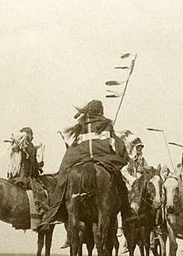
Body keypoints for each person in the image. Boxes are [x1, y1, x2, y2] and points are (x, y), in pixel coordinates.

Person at [40, 100, 133, 247]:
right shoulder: (106, 125)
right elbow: (117, 146)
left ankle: (58, 210)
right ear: (100, 111)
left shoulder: (80, 125)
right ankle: (127, 213)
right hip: (102, 159)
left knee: (63, 176)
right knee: (119, 181)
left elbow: (73, 146)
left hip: (80, 159)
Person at [7, 127, 47, 216]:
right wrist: (39, 165)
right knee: (40, 192)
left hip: (16, 176)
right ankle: (42, 211)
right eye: (31, 134)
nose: (32, 137)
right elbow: (32, 164)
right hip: (26, 177)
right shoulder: (29, 146)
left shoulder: (21, 147)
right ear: (28, 135)